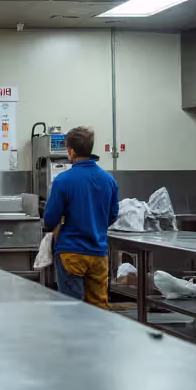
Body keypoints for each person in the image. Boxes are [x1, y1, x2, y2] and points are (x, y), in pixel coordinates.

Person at [42, 126, 119, 309]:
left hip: (71, 253)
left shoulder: (63, 180)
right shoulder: (108, 180)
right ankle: (98, 338)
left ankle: (75, 338)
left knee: (72, 308)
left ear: (70, 151)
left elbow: (50, 219)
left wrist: (60, 224)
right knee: (99, 307)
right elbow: (113, 215)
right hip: (98, 253)